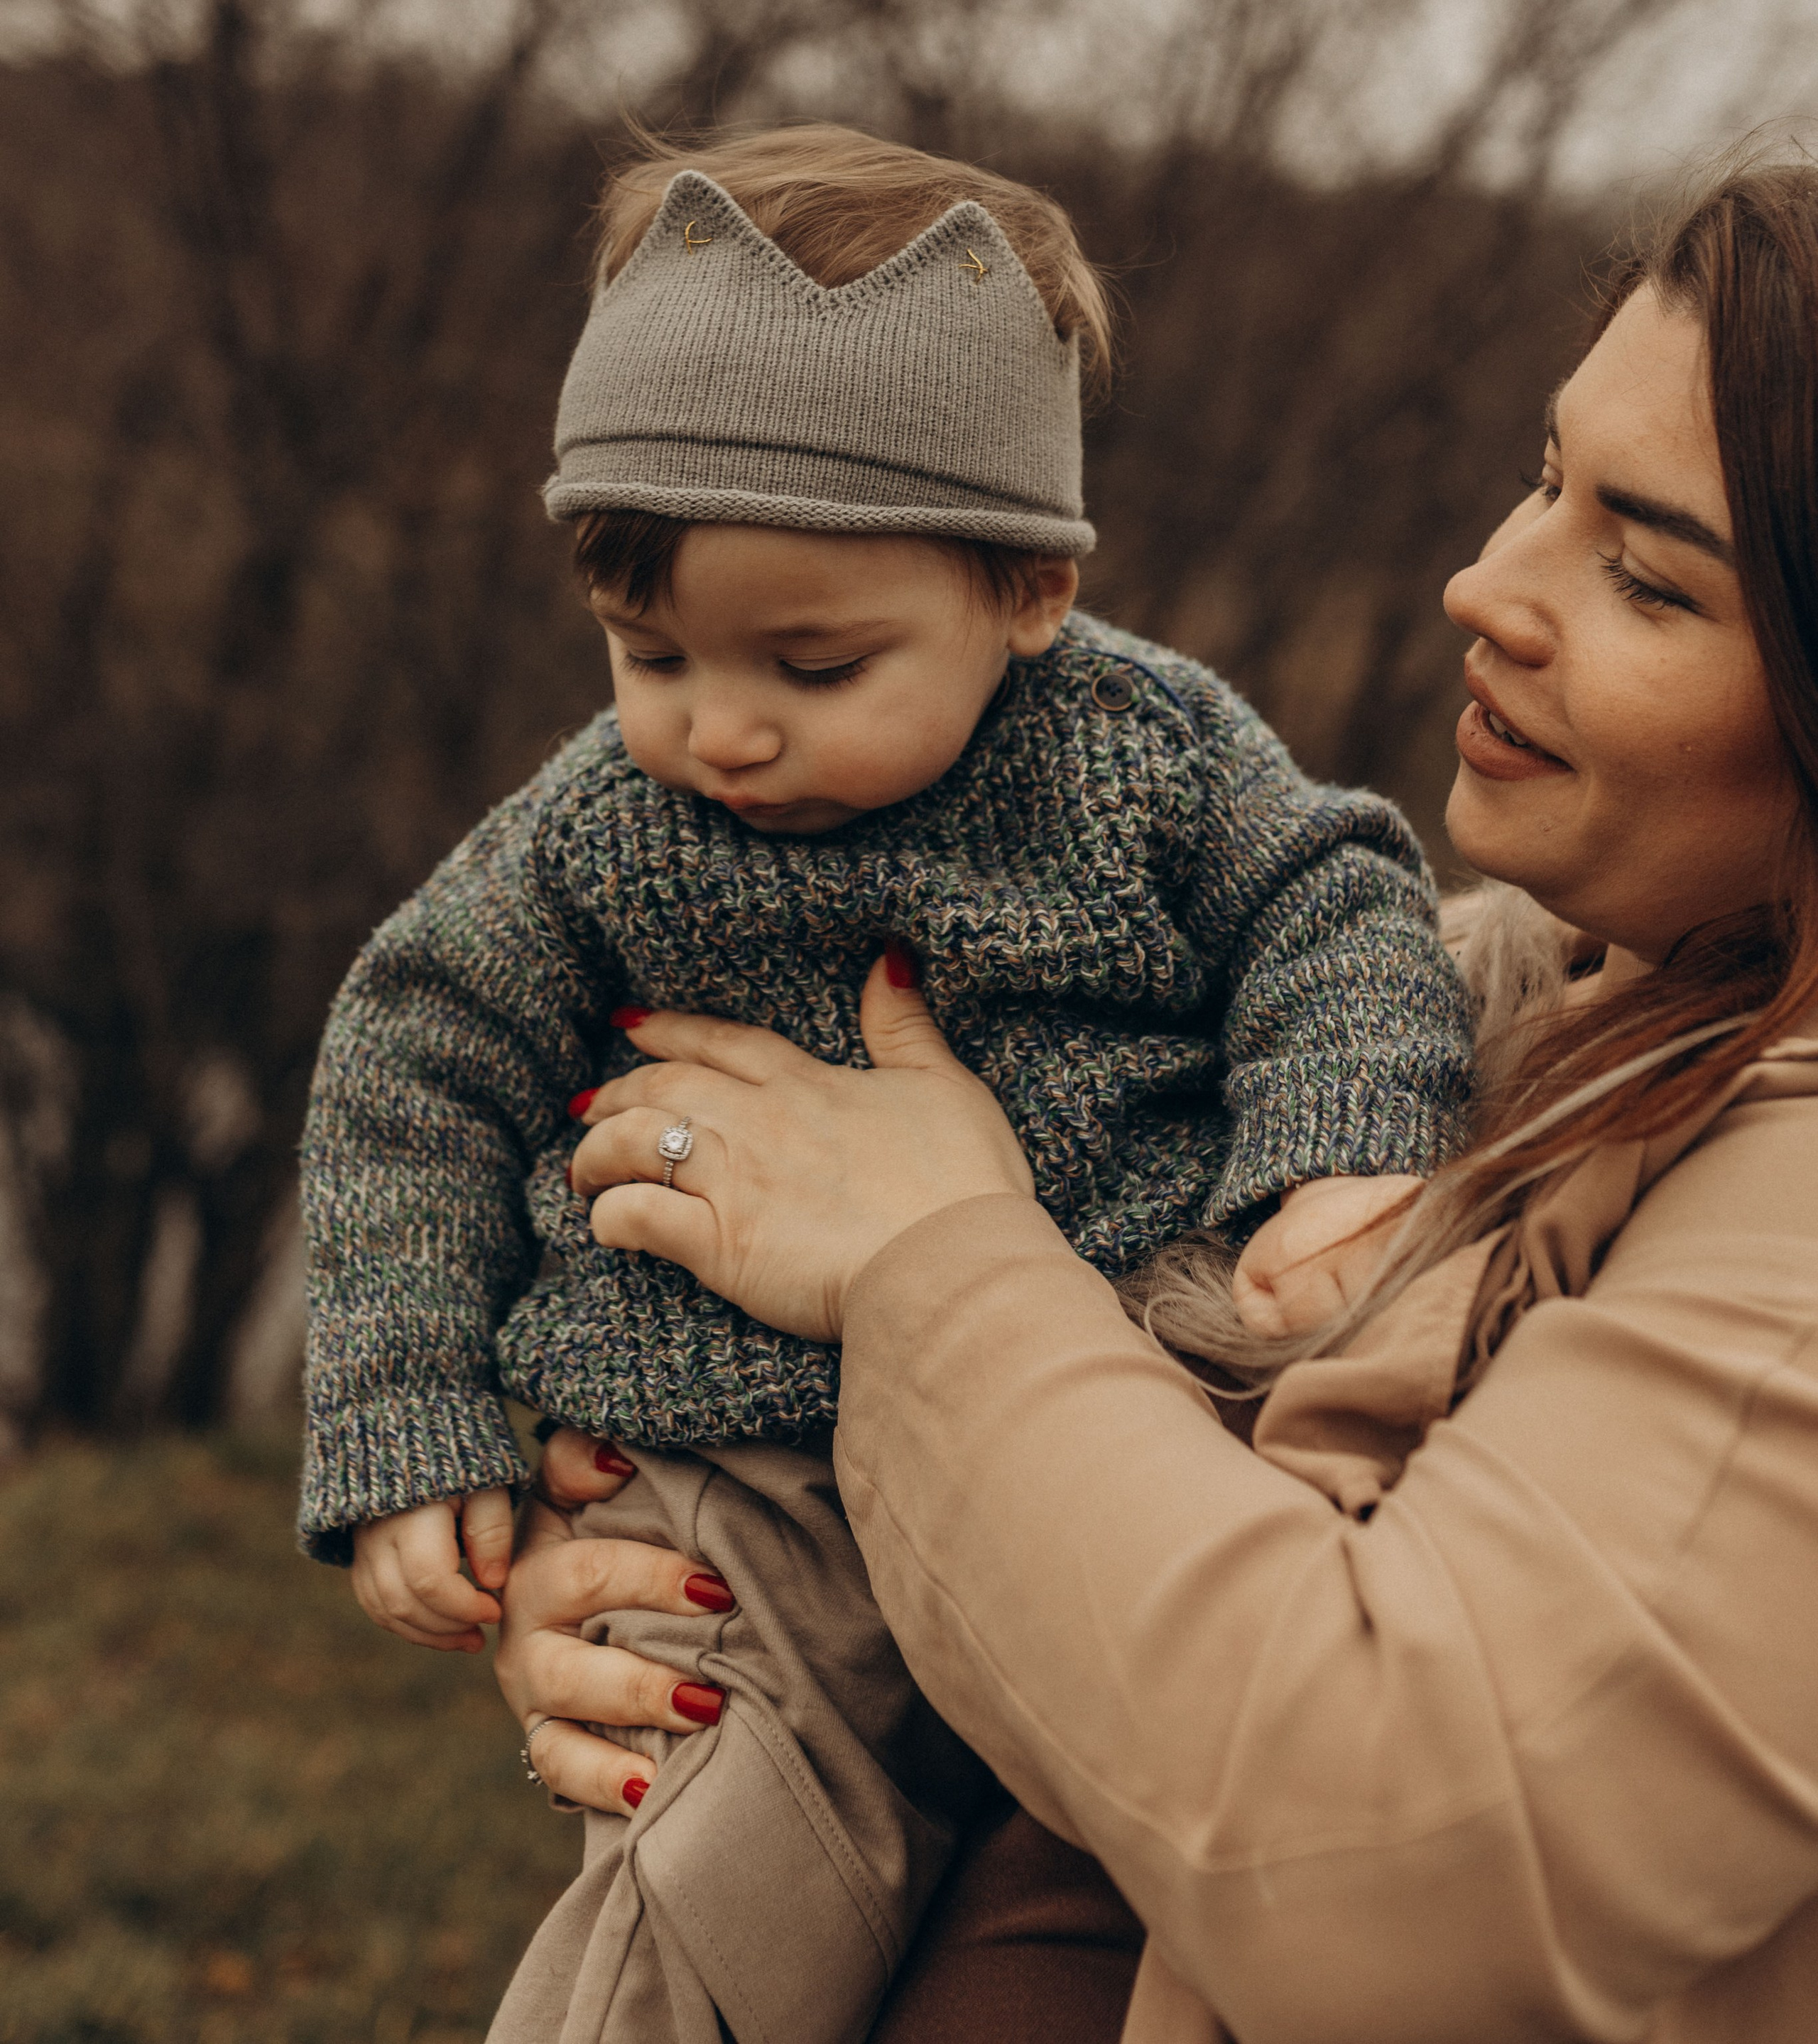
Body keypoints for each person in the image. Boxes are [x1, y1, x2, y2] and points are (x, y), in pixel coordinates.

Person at [523, 155, 1818, 2041]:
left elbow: (1389, 1859)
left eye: (1643, 575)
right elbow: (1080, 1562)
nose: (1486, 583)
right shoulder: (1460, 1031)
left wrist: (929, 1269)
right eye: (1548, 480)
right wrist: (673, 1587)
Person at [296, 125, 1471, 2043]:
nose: (723, 726)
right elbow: (415, 1053)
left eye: (817, 663)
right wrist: (414, 1409)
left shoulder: (1140, 758)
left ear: (1029, 590)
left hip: (1127, 1405)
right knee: (715, 1890)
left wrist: (1339, 1153)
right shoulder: (603, 827)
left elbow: (1335, 903)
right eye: (647, 649)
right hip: (742, 1466)